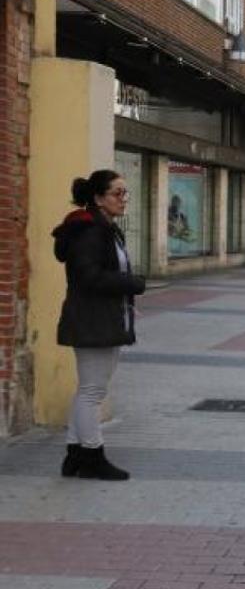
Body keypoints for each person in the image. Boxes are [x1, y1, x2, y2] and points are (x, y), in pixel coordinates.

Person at [53, 169, 147, 481]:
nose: (124, 199)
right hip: (93, 320)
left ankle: (75, 455)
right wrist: (130, 283)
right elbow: (87, 276)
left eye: (125, 193)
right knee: (93, 391)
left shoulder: (102, 227)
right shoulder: (91, 230)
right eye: (117, 193)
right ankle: (92, 455)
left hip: (101, 317)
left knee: (88, 389)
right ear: (97, 198)